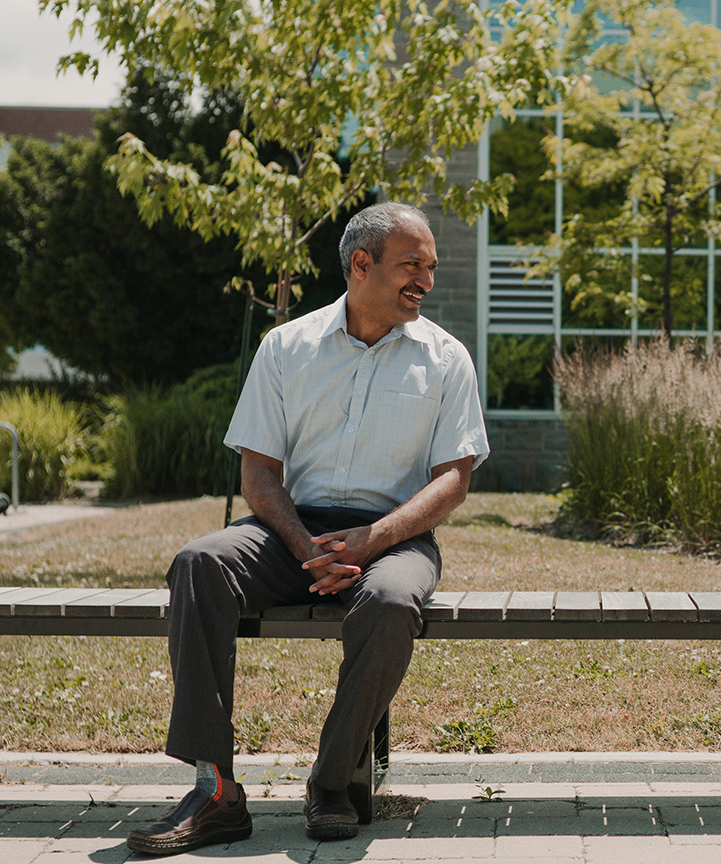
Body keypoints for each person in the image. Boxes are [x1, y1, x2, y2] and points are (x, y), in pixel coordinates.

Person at [127, 202, 488, 854]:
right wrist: (304, 548)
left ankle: (330, 780)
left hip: (396, 536)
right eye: (412, 265)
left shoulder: (445, 358)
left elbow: (453, 481)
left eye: (431, 268)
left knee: (389, 599)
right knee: (198, 562)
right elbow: (260, 476)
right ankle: (216, 794)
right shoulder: (286, 348)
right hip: (289, 530)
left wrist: (371, 541)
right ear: (360, 264)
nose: (426, 281)